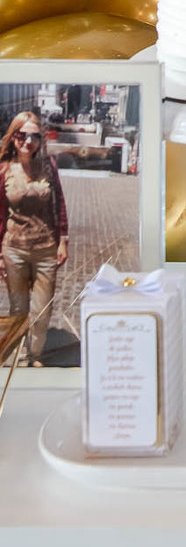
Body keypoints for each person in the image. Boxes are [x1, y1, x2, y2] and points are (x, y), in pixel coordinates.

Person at [0, 110, 68, 366]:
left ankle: (35, 355)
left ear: (41, 139)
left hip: (45, 249)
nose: (28, 141)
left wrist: (63, 239)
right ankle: (19, 358)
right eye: (22, 135)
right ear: (13, 136)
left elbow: (59, 203)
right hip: (13, 249)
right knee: (18, 310)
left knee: (42, 310)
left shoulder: (49, 166)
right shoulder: (4, 169)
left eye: (35, 136)